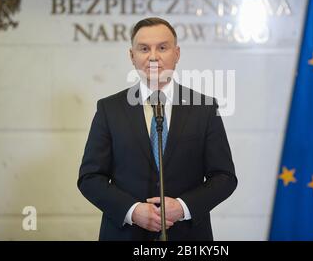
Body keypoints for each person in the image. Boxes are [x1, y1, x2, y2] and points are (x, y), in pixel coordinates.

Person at [77, 17, 237, 241]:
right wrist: (133, 211)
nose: (153, 56)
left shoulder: (204, 108)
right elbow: (90, 178)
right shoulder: (109, 109)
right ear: (132, 56)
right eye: (144, 49)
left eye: (162, 47)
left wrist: (182, 207)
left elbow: (224, 177)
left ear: (177, 53)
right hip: (124, 235)